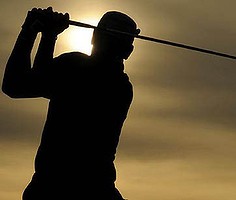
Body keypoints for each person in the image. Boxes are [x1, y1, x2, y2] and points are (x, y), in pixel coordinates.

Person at [2, 6, 139, 200]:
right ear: (129, 51)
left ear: (94, 37)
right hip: (97, 189)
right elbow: (43, 79)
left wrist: (31, 31)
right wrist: (48, 35)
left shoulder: (75, 67)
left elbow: (16, 85)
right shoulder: (122, 87)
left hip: (52, 188)